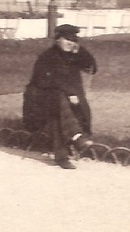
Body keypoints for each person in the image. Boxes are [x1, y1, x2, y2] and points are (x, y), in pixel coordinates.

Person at [22, 23, 98, 169]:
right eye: (67, 39)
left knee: (66, 107)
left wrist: (81, 52)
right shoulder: (47, 57)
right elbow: (45, 82)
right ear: (57, 40)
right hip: (39, 99)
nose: (71, 43)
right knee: (56, 107)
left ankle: (75, 141)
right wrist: (70, 93)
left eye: (74, 40)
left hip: (66, 99)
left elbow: (92, 68)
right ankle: (72, 143)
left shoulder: (74, 55)